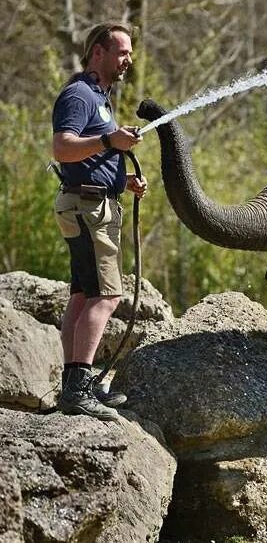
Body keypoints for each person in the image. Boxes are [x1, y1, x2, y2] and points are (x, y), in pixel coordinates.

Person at [51, 21, 148, 421]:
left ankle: (75, 385)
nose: (128, 60)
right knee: (106, 296)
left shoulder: (99, 98)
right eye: (122, 52)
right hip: (89, 210)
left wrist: (121, 180)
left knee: (82, 294)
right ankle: (79, 389)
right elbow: (63, 148)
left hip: (88, 202)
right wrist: (111, 141)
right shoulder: (79, 95)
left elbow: (85, 159)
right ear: (98, 53)